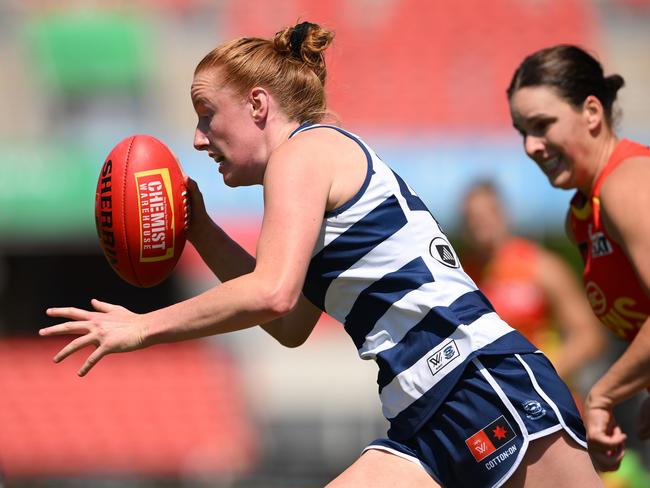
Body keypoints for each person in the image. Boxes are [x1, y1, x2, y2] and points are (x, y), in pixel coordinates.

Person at [40, 23, 602, 487]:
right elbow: (291, 323)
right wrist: (202, 229)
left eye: (207, 113)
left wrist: (142, 328)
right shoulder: (301, 172)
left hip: (479, 382)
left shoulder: (302, 155)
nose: (197, 138)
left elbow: (271, 292)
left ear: (258, 105)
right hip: (423, 411)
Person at [508, 44, 650, 473]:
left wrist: (603, 394)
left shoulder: (628, 183)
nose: (532, 146)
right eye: (521, 131)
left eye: (542, 125)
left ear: (592, 112)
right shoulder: (583, 217)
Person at [459, 180, 604, 383]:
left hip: (545, 396)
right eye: (471, 218)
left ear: (504, 214)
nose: (479, 223)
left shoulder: (542, 267)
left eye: (487, 214)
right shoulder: (460, 277)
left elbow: (589, 336)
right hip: (492, 401)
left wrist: (543, 374)